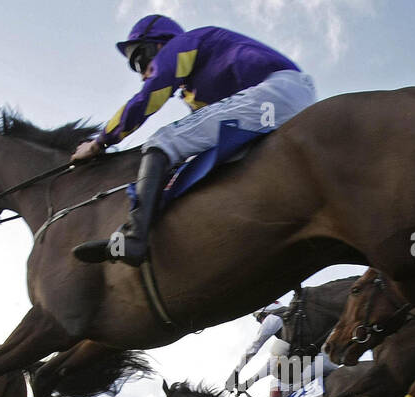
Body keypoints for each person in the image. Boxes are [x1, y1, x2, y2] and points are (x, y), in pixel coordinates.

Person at [71, 14, 316, 266]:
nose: (142, 73)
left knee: (161, 141)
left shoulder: (183, 44)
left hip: (274, 95)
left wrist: (99, 143)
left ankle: (133, 238)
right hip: (287, 100)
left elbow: (148, 98)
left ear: (157, 45)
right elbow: (198, 134)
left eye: (138, 60)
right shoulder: (195, 86)